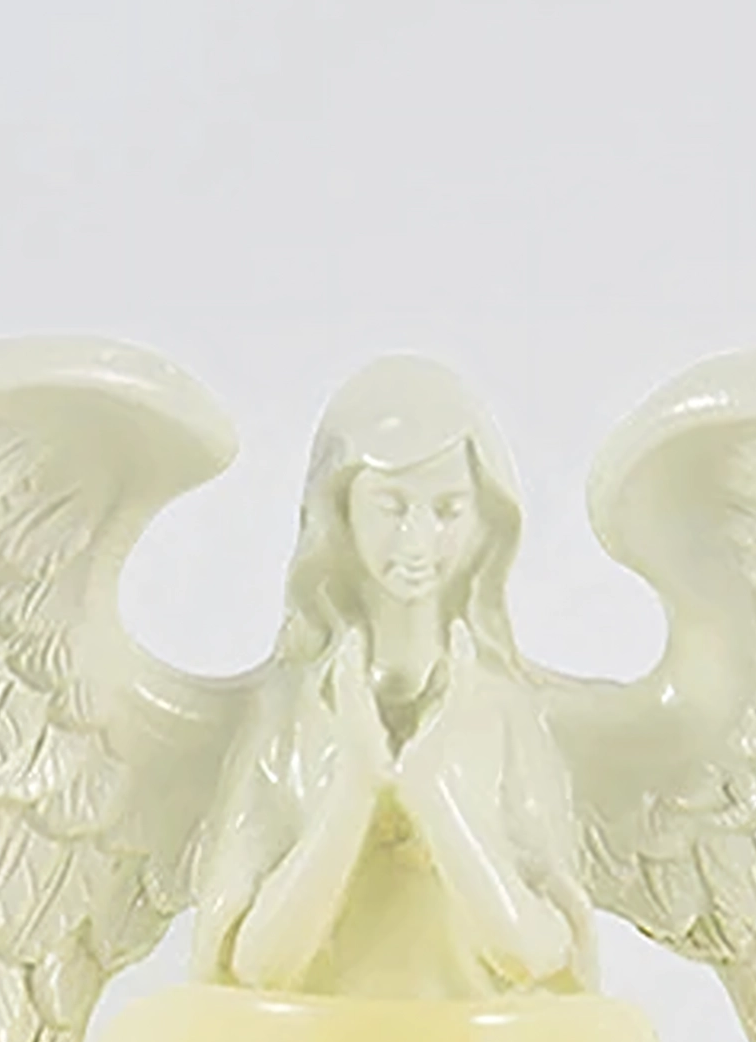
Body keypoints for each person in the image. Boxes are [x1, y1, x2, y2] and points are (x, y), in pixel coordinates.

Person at [192, 358, 596, 998]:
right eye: (391, 506)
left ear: (483, 520)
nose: (418, 539)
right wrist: (353, 790)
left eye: (448, 509)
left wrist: (434, 798)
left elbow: (539, 953)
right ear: (342, 511)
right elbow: (259, 966)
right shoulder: (287, 713)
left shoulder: (505, 711)